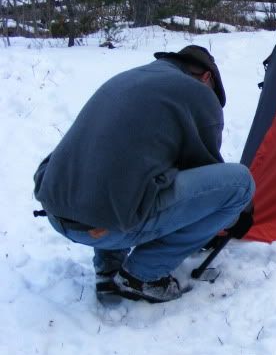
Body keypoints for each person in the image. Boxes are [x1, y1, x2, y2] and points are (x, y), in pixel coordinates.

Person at [33, 46, 255, 303]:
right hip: (106, 226)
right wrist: (230, 218)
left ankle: (109, 267)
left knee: (122, 167)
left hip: (58, 212)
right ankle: (143, 275)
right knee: (240, 184)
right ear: (207, 78)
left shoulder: (129, 78)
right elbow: (205, 172)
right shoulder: (198, 93)